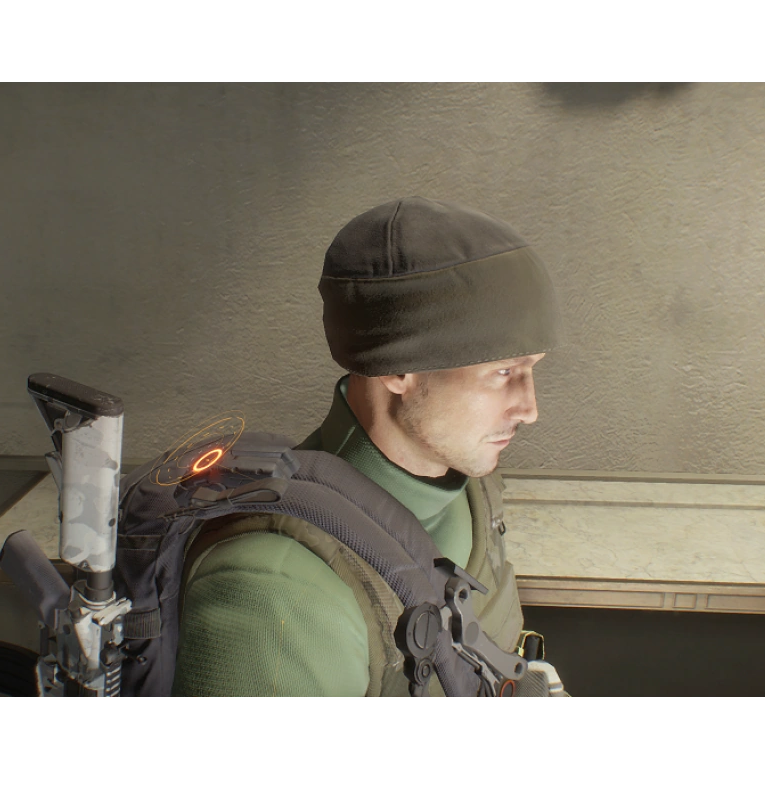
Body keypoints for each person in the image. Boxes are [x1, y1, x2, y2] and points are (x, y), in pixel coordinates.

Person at [171, 196, 563, 698]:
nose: (529, 409)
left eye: (531, 369)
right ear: (398, 369)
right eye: (503, 372)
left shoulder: (473, 486)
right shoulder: (277, 591)